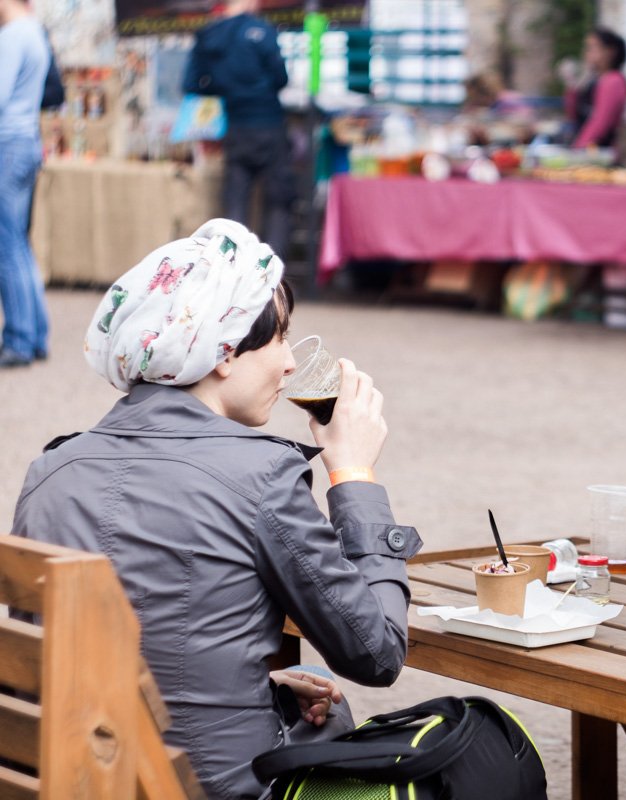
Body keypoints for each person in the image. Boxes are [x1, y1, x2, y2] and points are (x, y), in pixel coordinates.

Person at [12, 219, 423, 799]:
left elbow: (112, 634)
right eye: (281, 339)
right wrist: (353, 474)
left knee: (318, 703)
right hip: (207, 787)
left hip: (75, 776)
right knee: (480, 746)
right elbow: (376, 653)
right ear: (223, 353)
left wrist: (250, 681)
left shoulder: (51, 471)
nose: (287, 364)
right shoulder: (259, 474)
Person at [183, 0, 294, 258]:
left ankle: (231, 273)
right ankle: (270, 278)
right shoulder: (262, 31)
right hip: (268, 124)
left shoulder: (207, 35)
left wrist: (226, 90)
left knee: (235, 205)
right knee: (278, 201)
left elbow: (191, 84)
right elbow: (281, 79)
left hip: (234, 127)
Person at [0, 0, 50, 368]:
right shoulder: (34, 31)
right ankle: (35, 335)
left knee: (6, 244)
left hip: (8, 144)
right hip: (25, 140)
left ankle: (18, 339)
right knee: (17, 241)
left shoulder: (13, 36)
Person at [564, 27, 626, 150]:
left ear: (610, 51)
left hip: (599, 153)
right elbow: (573, 116)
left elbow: (601, 123)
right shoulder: (594, 80)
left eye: (591, 48)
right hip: (588, 149)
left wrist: (578, 149)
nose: (586, 53)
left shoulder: (613, 81)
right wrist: (573, 87)